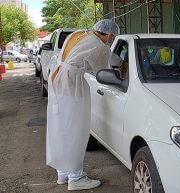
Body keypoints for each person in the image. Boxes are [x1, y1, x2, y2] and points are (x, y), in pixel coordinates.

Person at [46, 19, 123, 191]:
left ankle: (63, 173)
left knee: (61, 127)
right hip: (71, 83)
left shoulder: (78, 34)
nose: (112, 40)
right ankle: (76, 177)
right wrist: (122, 66)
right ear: (109, 34)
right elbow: (105, 68)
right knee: (76, 129)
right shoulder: (99, 46)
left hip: (57, 79)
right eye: (113, 37)